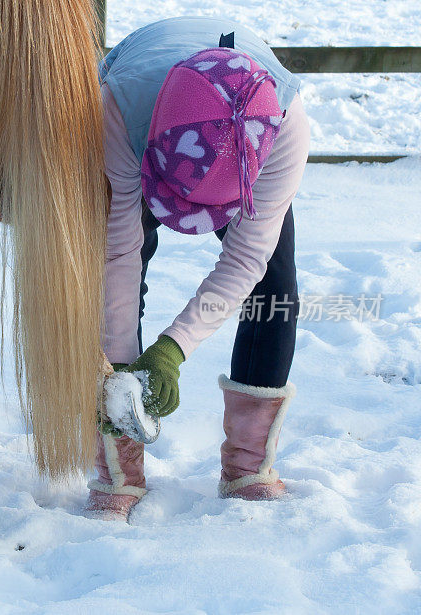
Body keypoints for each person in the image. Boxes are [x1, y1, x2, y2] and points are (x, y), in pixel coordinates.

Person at [87, 17, 311, 521]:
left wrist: (174, 347)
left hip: (250, 141)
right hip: (142, 117)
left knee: (275, 288)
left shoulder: (284, 130)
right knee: (121, 262)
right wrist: (120, 372)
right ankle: (119, 467)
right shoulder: (117, 112)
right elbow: (117, 255)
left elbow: (246, 257)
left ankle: (249, 466)